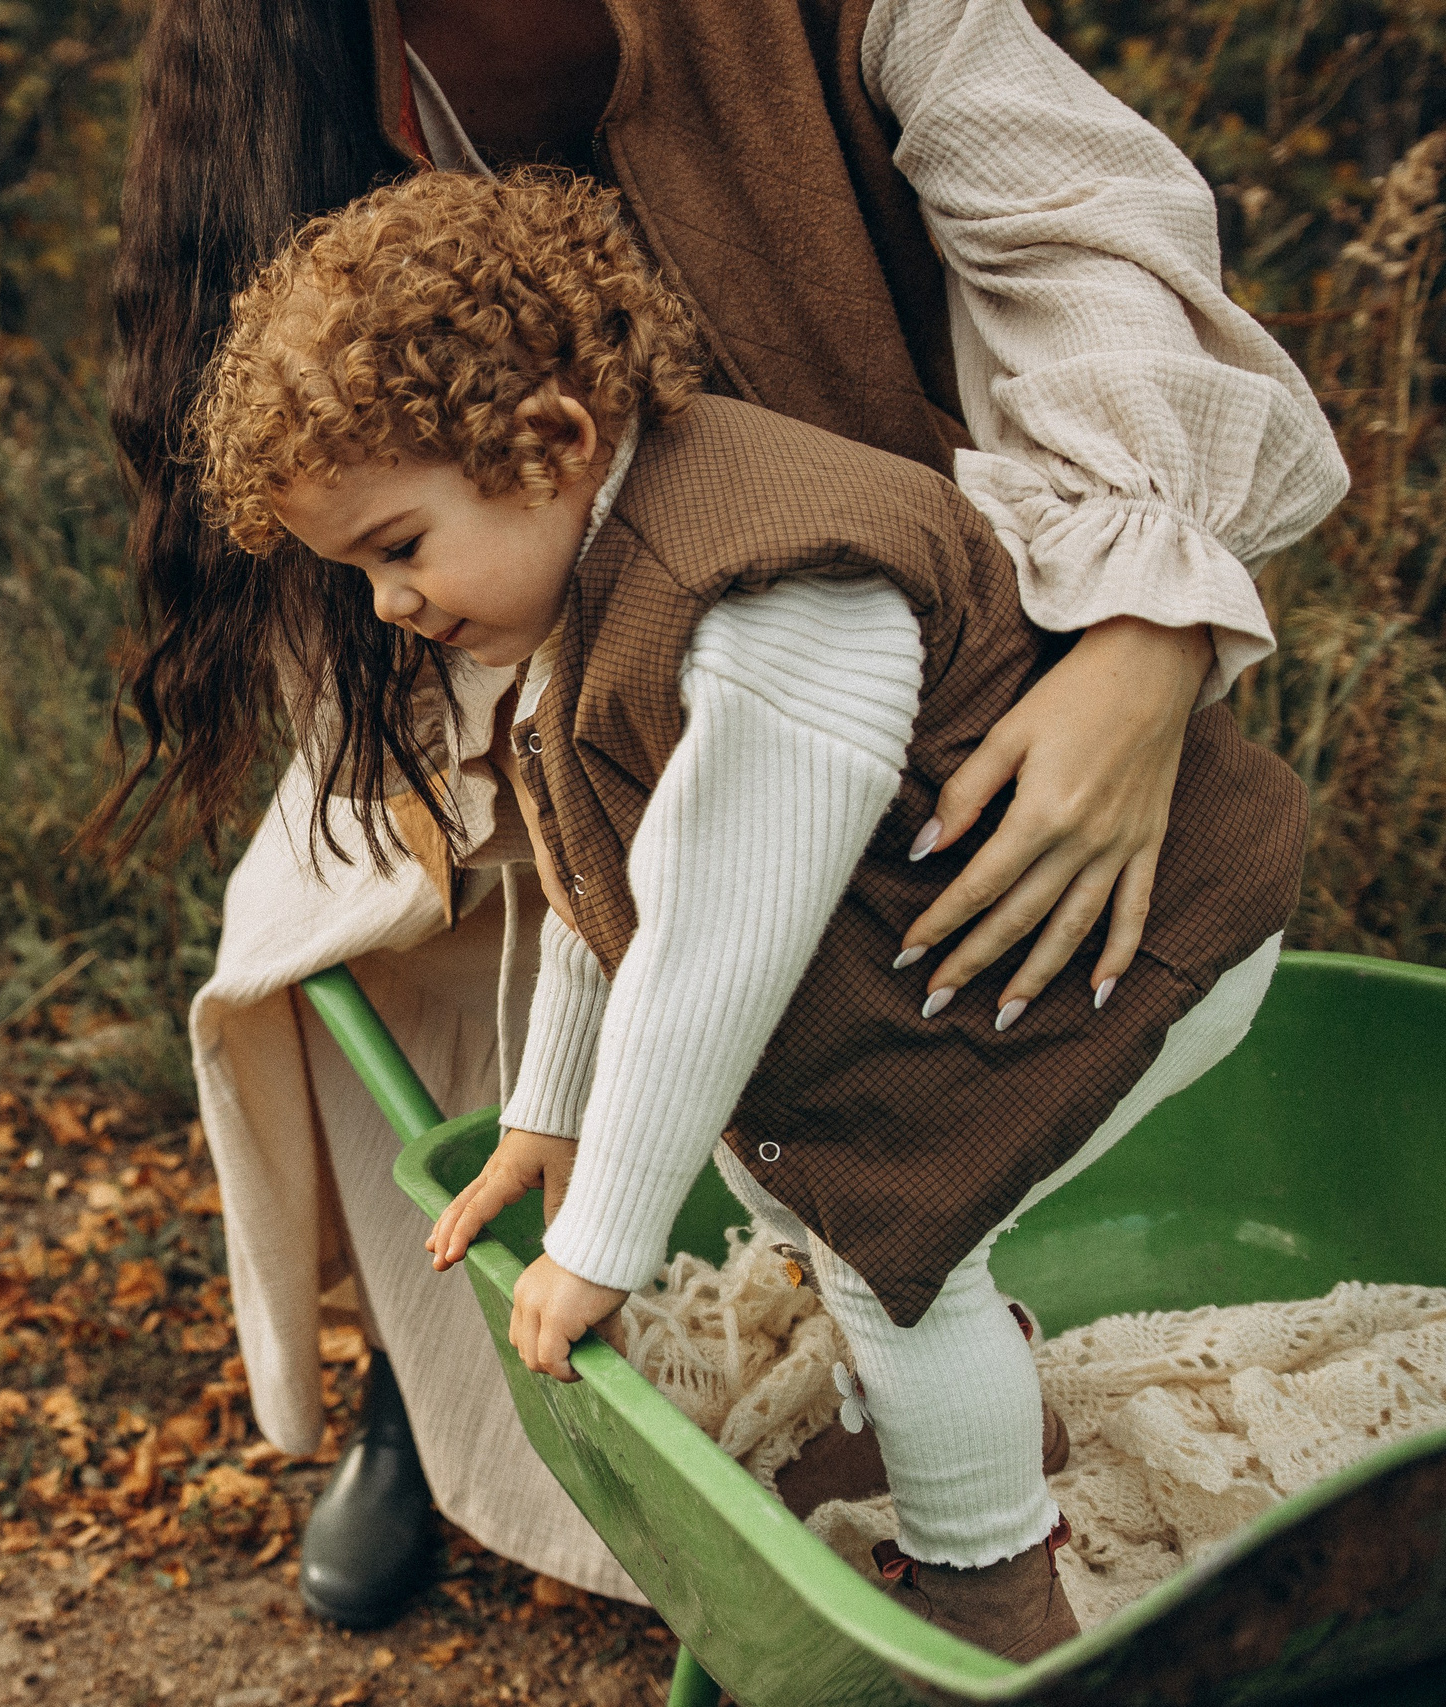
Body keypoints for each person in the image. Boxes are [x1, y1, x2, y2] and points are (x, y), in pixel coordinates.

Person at [100, 0, 1349, 1629]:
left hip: (1121, 890)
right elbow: (596, 870)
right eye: (365, 576)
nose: (387, 604)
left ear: (551, 440)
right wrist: (550, 1118)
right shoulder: (569, 576)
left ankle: (987, 1578)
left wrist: (607, 1235)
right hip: (702, 698)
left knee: (893, 1242)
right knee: (359, 938)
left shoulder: (754, 597)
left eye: (393, 556)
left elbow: (702, 945)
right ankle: (459, 1390)